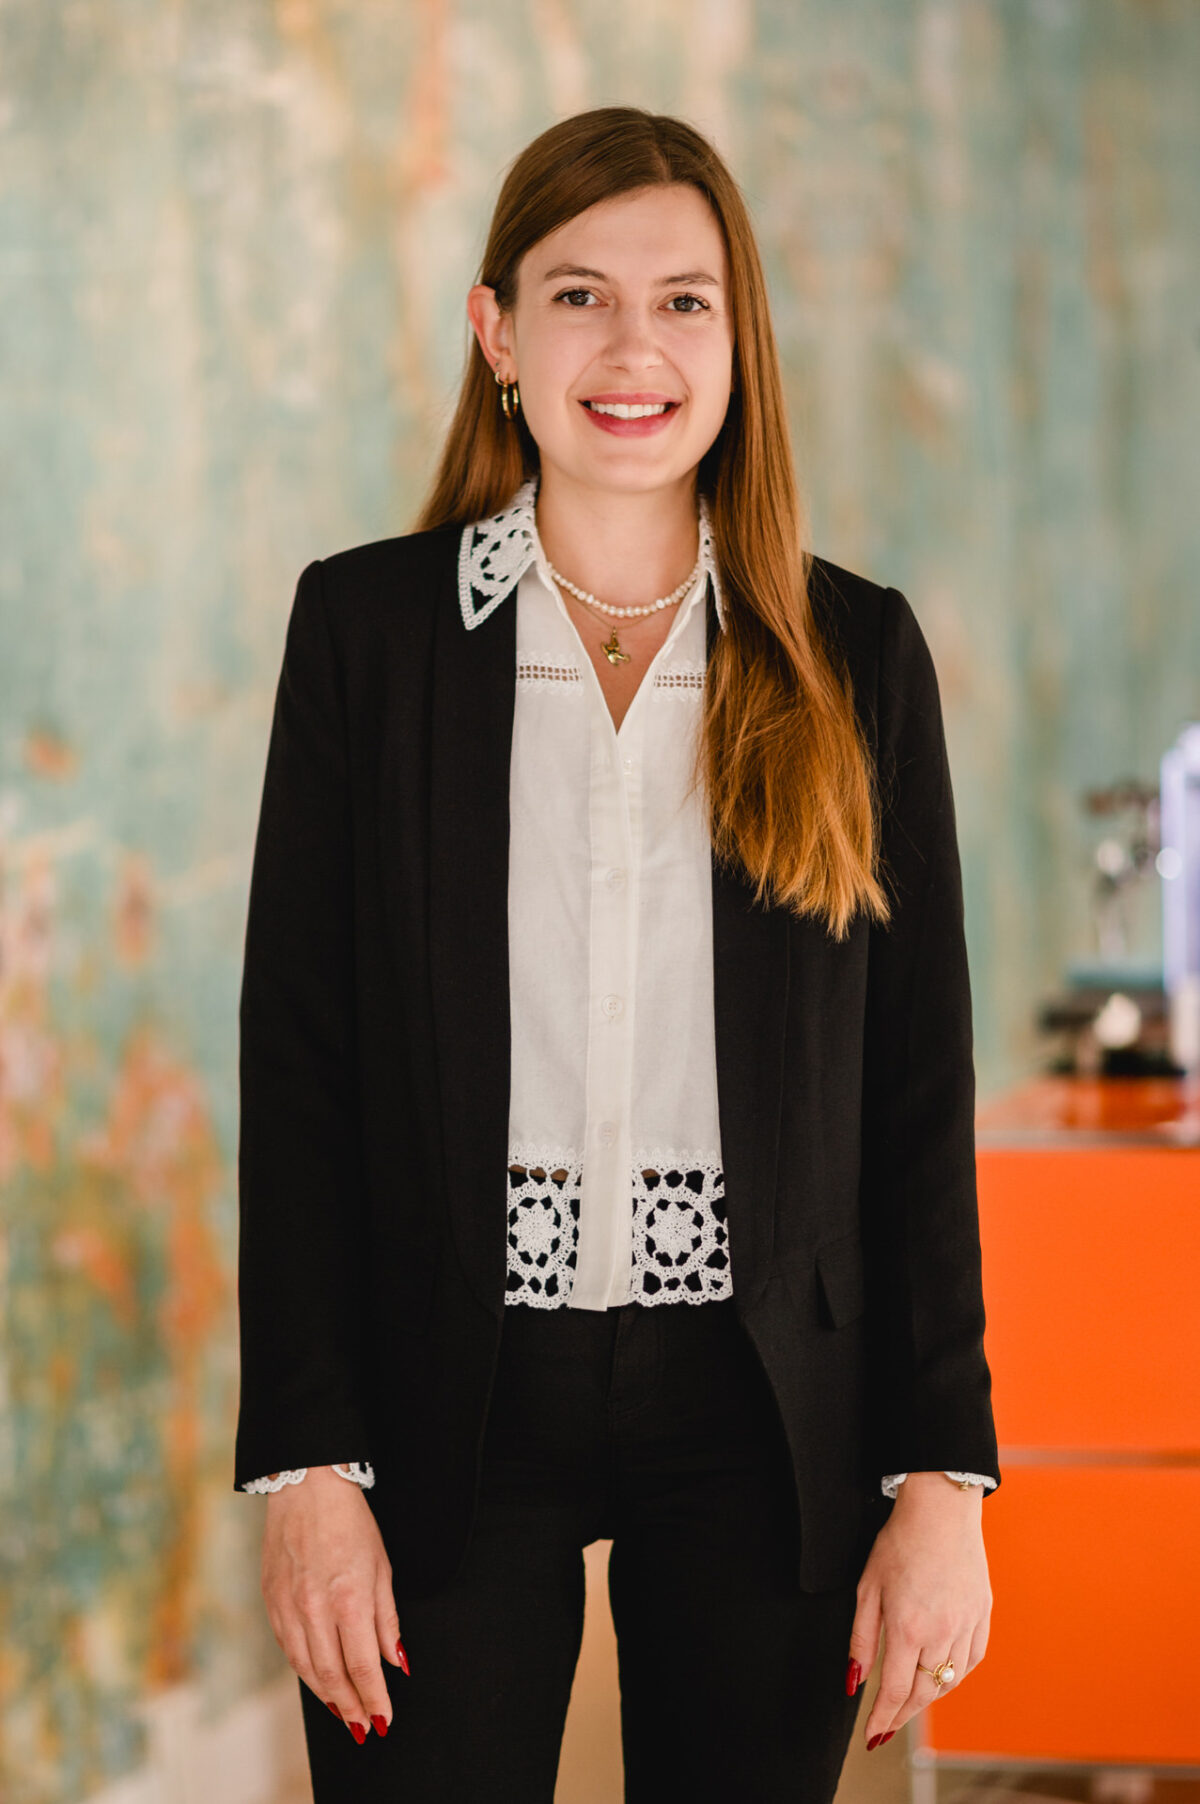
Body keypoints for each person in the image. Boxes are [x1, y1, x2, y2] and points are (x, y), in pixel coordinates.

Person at [233, 105, 999, 1804]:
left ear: (741, 341)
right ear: (497, 332)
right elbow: (300, 1070)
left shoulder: (854, 654)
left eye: (684, 300)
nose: (632, 347)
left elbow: (917, 1089)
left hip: (765, 1408)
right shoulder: (364, 635)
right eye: (578, 296)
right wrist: (306, 1465)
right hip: (446, 1396)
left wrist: (941, 1479)